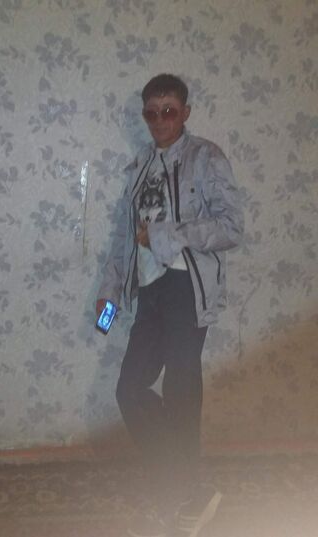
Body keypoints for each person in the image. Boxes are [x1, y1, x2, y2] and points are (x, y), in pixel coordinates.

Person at [96, 74, 244, 537]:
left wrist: (165, 235)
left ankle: (181, 493)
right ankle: (185, 484)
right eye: (151, 112)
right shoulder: (141, 165)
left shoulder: (206, 157)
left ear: (185, 113)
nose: (160, 120)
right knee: (129, 389)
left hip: (185, 288)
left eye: (169, 111)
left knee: (181, 390)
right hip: (150, 291)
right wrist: (110, 289)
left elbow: (231, 227)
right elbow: (126, 238)